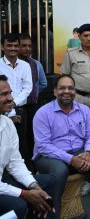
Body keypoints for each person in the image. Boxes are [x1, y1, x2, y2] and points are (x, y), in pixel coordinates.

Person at [33, 75, 90, 219]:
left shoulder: (84, 110)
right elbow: (43, 146)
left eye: (70, 88)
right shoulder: (43, 113)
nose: (67, 91)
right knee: (60, 170)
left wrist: (88, 152)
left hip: (79, 151)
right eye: (62, 88)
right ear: (55, 91)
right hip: (49, 156)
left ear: (75, 91)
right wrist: (71, 159)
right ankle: (53, 215)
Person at [0, 75, 55, 219]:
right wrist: (25, 194)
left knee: (47, 184)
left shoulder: (7, 123)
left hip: (1, 181)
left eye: (10, 93)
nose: (11, 98)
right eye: (4, 94)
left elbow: (15, 163)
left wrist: (34, 187)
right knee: (19, 204)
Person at [0, 33, 33, 169]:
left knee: (21, 145)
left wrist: (13, 103)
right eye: (9, 45)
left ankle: (23, 177)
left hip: (20, 110)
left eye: (15, 45)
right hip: (1, 111)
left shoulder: (25, 65)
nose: (12, 48)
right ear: (2, 47)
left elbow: (28, 87)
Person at [60, 23, 90, 116]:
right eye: (86, 35)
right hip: (78, 98)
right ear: (79, 37)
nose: (89, 38)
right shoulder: (71, 54)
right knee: (76, 126)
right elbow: (65, 77)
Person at [18, 33, 48, 170]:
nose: (27, 48)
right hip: (16, 107)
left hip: (33, 106)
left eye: (29, 46)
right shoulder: (11, 64)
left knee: (33, 136)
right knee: (20, 139)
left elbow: (42, 83)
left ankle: (33, 165)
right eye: (23, 45)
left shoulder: (36, 64)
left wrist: (33, 93)